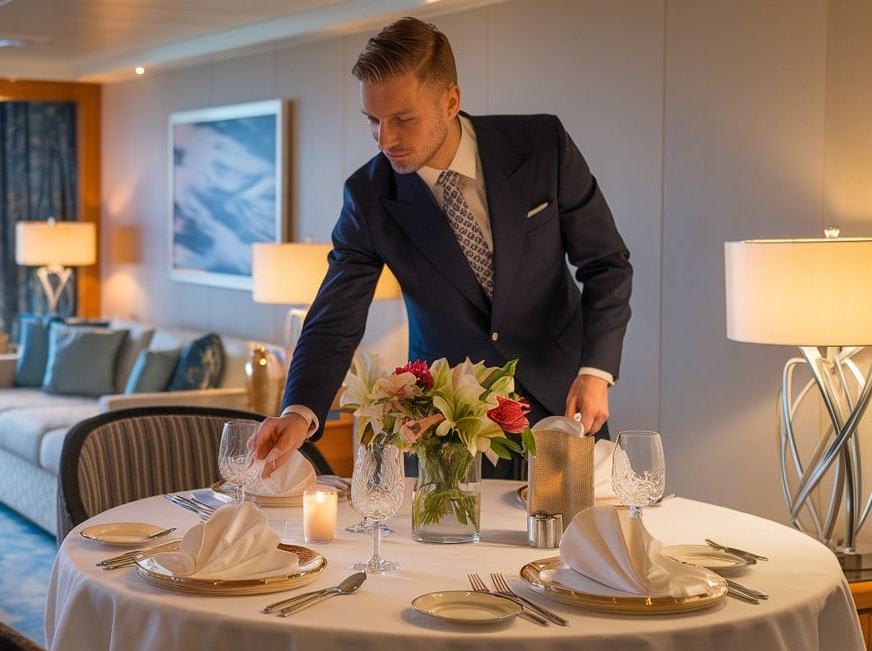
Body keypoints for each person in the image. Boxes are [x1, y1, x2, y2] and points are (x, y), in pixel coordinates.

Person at [254, 17, 632, 481]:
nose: (385, 139)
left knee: (575, 551)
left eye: (402, 119)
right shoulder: (369, 196)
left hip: (564, 407)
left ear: (451, 101)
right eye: (373, 120)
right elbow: (335, 317)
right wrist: (298, 412)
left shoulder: (541, 145)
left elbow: (607, 264)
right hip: (444, 431)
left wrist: (596, 371)